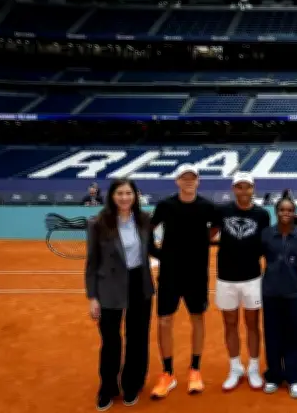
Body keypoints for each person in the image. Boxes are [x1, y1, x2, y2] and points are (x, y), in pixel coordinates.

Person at [85, 179, 155, 411]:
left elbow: (153, 250)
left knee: (137, 338)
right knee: (111, 340)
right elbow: (92, 262)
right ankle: (108, 387)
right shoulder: (98, 223)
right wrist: (92, 297)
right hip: (109, 286)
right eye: (120, 193)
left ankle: (132, 383)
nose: (124, 198)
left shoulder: (144, 220)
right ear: (112, 196)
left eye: (128, 193)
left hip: (139, 283)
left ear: (135, 196)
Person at [149, 164, 219, 399]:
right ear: (177, 181)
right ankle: (168, 373)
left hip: (197, 273)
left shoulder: (207, 207)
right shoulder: (165, 206)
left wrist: (201, 243)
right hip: (170, 274)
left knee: (197, 318)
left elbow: (217, 227)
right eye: (184, 178)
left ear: (198, 181)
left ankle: (195, 369)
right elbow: (149, 229)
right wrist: (157, 253)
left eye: (192, 178)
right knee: (164, 320)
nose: (188, 181)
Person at [213, 173, 271, 391]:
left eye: (247, 187)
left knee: (253, 324)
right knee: (230, 324)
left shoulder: (262, 214)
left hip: (252, 278)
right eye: (239, 187)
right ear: (234, 189)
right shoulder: (223, 211)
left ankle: (254, 367)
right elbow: (210, 234)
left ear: (253, 189)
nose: (243, 191)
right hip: (225, 277)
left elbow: (266, 244)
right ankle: (235, 366)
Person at [260, 197, 297, 399]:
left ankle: (293, 378)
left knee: (294, 337)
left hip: (292, 293)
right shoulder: (266, 234)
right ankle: (274, 376)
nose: (286, 213)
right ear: (276, 211)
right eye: (282, 209)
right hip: (270, 292)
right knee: (272, 336)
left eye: (290, 210)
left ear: (294, 213)